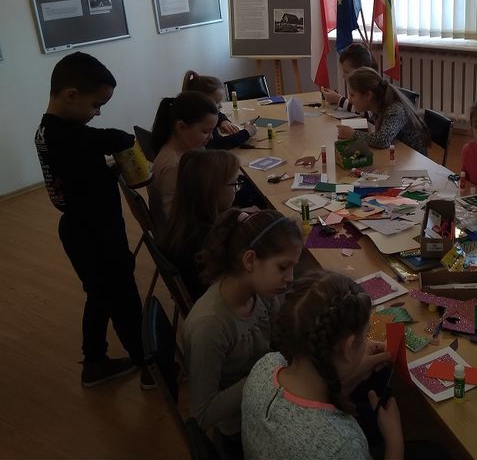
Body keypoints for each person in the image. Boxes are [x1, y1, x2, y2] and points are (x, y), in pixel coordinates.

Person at [34, 52, 148, 388]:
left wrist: (105, 172)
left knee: (99, 295)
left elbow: (79, 173)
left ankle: (95, 362)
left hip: (82, 227)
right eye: (96, 105)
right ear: (71, 95)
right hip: (94, 231)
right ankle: (150, 365)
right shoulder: (66, 135)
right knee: (123, 298)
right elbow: (114, 138)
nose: (97, 113)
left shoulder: (51, 131)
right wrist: (129, 147)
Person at [241, 271, 401, 460]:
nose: (366, 342)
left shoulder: (266, 365)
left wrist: (353, 372)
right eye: (365, 336)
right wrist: (394, 440)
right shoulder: (343, 444)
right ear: (348, 347)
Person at [182, 208, 302, 459]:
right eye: (283, 267)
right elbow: (201, 415)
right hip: (242, 424)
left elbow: (280, 336)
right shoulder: (210, 326)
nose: (290, 278)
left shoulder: (261, 291)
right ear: (249, 261)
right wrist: (265, 374)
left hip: (269, 391)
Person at [161, 149, 241, 301]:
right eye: (235, 184)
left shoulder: (183, 225)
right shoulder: (209, 245)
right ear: (214, 190)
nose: (236, 190)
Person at [147, 91, 219, 231]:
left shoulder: (185, 150)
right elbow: (177, 220)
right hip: (185, 236)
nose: (211, 137)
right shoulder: (174, 166)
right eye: (205, 131)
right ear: (181, 127)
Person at [336, 67, 430, 155]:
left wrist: (353, 134)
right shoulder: (378, 105)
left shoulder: (395, 110)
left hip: (413, 162)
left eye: (352, 95)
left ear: (368, 95)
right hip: (397, 154)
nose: (350, 100)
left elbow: (382, 140)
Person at [182, 70, 256, 149]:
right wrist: (247, 133)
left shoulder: (196, 110)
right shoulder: (199, 120)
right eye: (217, 102)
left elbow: (218, 114)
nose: (220, 106)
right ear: (200, 101)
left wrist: (223, 121)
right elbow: (217, 144)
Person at [320, 43, 379, 112]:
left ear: (361, 71)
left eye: (346, 72)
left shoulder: (372, 89)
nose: (343, 76)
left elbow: (367, 113)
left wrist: (338, 99)